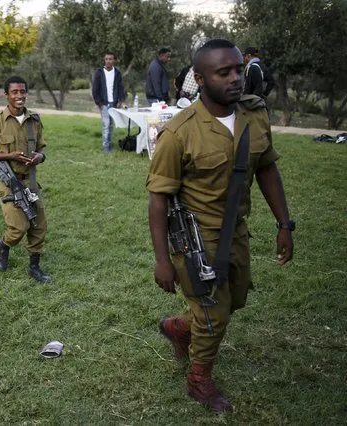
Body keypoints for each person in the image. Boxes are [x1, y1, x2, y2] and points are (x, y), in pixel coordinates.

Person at [146, 39, 294, 413]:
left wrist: (284, 223)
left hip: (237, 230)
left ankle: (178, 328)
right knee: (214, 314)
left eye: (237, 70)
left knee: (235, 300)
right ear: (199, 78)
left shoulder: (254, 114)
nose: (234, 78)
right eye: (223, 72)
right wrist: (163, 261)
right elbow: (158, 199)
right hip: (197, 236)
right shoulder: (179, 133)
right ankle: (199, 380)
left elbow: (267, 168)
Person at [0, 75, 51, 283]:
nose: (19, 96)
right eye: (15, 92)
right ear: (6, 95)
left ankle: (34, 267)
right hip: (9, 183)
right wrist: (9, 156)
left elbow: (41, 147)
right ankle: (4, 245)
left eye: (22, 92)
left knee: (38, 225)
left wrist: (40, 156)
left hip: (30, 181)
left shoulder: (34, 120)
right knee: (18, 227)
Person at [91, 52, 126, 153]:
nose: (108, 61)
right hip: (104, 103)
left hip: (114, 103)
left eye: (110, 59)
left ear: (114, 60)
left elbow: (120, 88)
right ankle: (106, 147)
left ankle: (109, 144)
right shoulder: (99, 73)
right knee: (106, 124)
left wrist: (121, 100)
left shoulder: (117, 73)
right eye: (106, 59)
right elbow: (95, 90)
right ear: (104, 60)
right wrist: (99, 103)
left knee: (111, 125)